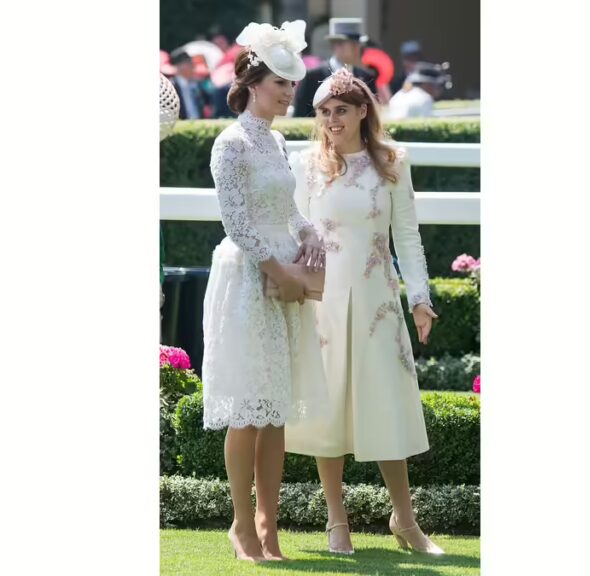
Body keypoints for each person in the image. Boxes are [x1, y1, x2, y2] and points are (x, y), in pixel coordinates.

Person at [285, 67, 445, 556]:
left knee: (386, 405)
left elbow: (409, 236)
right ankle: (337, 522)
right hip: (324, 303)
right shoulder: (307, 164)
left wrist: (420, 298)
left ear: (362, 112)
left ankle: (406, 520)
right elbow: (295, 232)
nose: (332, 120)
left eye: (341, 111)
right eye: (324, 112)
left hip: (377, 301)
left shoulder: (393, 161)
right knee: (328, 406)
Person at [200, 20, 328, 563]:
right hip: (249, 281)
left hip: (285, 283)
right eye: (281, 82)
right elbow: (235, 222)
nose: (289, 91)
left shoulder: (276, 141)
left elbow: (285, 209)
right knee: (248, 410)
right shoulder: (230, 143)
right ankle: (240, 526)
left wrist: (309, 232)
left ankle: (268, 527)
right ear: (255, 82)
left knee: (275, 410)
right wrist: (279, 267)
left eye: (292, 83)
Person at [292, 18, 377, 117]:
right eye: (353, 44)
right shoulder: (312, 77)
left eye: (359, 45)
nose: (358, 49)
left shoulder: (367, 77)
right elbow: (300, 116)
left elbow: (372, 117)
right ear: (336, 46)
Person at [387, 61, 452, 120]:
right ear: (427, 84)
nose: (439, 89)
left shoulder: (398, 95)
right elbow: (426, 126)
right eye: (437, 85)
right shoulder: (425, 99)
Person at [169, 48, 210, 119]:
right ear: (179, 66)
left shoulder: (196, 84)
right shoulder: (171, 87)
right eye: (189, 63)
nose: (193, 66)